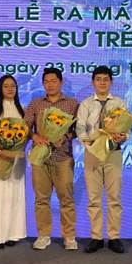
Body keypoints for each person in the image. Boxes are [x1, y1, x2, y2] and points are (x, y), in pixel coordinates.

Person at [24, 67, 79, 251]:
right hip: (40, 158)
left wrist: (65, 137)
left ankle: (69, 236)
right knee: (41, 199)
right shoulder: (35, 104)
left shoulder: (72, 104)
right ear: (42, 84)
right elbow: (25, 127)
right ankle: (43, 235)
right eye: (46, 81)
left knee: (66, 199)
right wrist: (35, 137)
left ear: (61, 83)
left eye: (53, 81)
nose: (50, 85)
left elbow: (78, 130)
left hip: (63, 157)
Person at [76, 66, 127, 254]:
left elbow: (127, 127)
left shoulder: (119, 103)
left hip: (114, 152)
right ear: (93, 83)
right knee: (93, 198)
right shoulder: (86, 104)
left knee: (114, 197)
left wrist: (123, 136)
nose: (102, 82)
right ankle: (96, 237)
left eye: (106, 79)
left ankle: (114, 237)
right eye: (98, 79)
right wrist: (88, 142)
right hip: (92, 153)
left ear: (111, 82)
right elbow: (80, 128)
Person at [0, 75, 27, 249]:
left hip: (16, 159)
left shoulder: (22, 110)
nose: (10, 89)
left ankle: (13, 234)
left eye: (13, 86)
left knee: (14, 196)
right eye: (6, 86)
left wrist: (16, 150)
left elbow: (25, 134)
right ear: (0, 89)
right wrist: (0, 151)